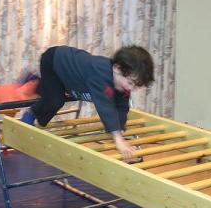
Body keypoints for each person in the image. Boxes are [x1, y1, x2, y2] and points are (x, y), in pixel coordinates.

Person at [21, 45, 154, 160]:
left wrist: (121, 133)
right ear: (117, 68)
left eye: (134, 86)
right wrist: (118, 140)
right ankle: (31, 105)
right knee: (55, 100)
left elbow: (121, 108)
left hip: (70, 75)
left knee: (56, 93)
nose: (130, 88)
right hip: (54, 61)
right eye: (130, 83)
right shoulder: (101, 74)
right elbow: (105, 107)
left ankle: (38, 83)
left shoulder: (121, 84)